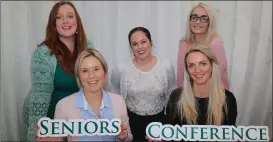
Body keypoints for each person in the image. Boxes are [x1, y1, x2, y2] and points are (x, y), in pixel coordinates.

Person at [23, 1, 93, 141]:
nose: (65, 21)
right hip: (50, 118)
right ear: (53, 25)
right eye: (59, 17)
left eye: (70, 16)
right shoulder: (43, 54)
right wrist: (35, 135)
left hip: (75, 118)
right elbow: (39, 99)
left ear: (77, 21)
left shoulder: (88, 47)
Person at [50, 48, 133, 141]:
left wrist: (123, 137)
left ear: (104, 72)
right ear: (78, 76)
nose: (91, 76)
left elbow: (128, 136)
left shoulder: (118, 101)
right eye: (85, 71)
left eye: (96, 69)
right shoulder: (63, 106)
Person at [110, 27, 176, 141]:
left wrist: (168, 126)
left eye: (143, 42)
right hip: (131, 124)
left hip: (159, 123)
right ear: (131, 48)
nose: (140, 47)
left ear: (151, 42)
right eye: (135, 44)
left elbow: (172, 95)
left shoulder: (165, 66)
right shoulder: (121, 68)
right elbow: (114, 95)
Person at [166, 44, 237, 128]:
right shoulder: (176, 97)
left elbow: (229, 134)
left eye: (203, 64)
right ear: (187, 70)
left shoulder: (228, 98)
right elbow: (169, 133)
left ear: (212, 66)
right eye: (191, 65)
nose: (197, 70)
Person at [177, 2, 229, 90]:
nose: (198, 22)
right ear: (189, 20)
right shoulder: (184, 43)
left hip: (213, 95)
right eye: (194, 17)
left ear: (210, 22)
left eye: (203, 18)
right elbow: (181, 74)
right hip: (187, 95)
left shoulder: (216, 44)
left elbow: (219, 77)